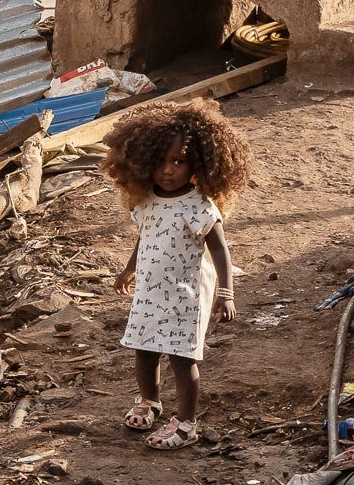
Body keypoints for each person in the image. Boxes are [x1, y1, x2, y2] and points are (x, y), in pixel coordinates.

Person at [102, 97, 251, 448]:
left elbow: (220, 250)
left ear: (197, 164)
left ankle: (186, 423)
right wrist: (129, 269)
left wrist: (226, 293)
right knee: (144, 349)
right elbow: (146, 237)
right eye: (160, 162)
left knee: (182, 359)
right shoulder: (148, 201)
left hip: (186, 294)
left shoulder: (199, 206)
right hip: (150, 291)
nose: (168, 170)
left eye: (179, 162)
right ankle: (150, 400)